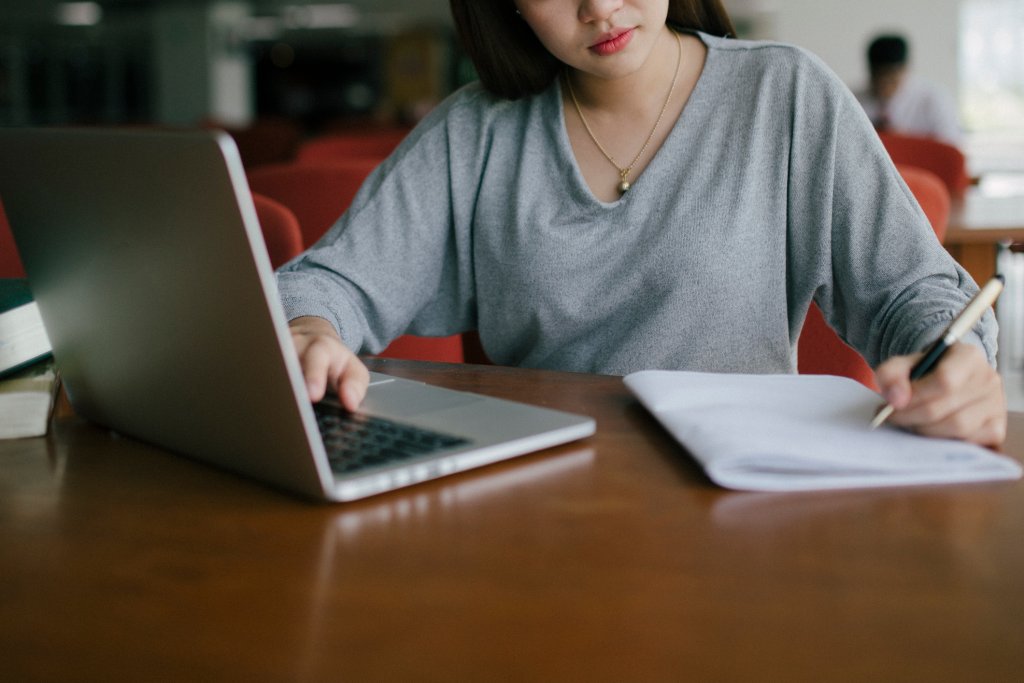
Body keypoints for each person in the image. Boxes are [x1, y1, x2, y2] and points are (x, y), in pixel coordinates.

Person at [276, 1, 1005, 446]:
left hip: (745, 496)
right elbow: (332, 281)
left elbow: (915, 291)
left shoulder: (784, 93)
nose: (600, 6)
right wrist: (311, 327)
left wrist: (955, 359)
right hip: (542, 501)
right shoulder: (478, 130)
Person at [855, 33, 964, 146]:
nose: (884, 82)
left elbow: (951, 148)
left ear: (904, 69)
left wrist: (903, 141)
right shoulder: (855, 99)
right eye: (878, 75)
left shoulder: (934, 99)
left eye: (891, 75)